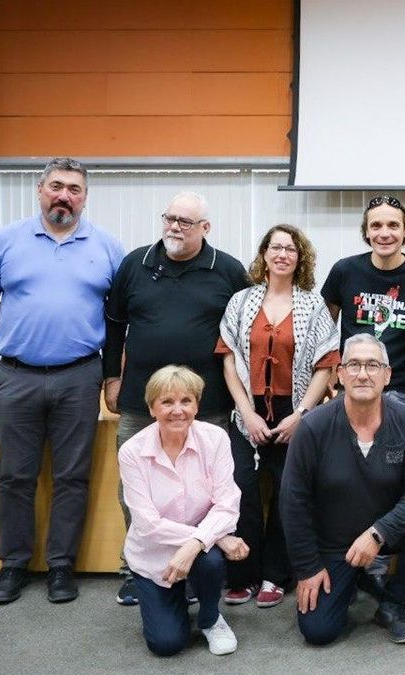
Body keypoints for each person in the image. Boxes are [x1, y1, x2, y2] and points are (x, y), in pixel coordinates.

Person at [0, 157, 126, 605]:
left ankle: (61, 567)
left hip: (79, 376)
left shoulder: (108, 247)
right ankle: (13, 566)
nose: (65, 195)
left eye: (74, 189)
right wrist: (23, 335)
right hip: (16, 377)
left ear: (85, 196)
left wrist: (111, 375)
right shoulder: (5, 240)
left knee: (72, 477)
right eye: (57, 186)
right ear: (40, 189)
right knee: (14, 477)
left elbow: (118, 318)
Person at [105, 191, 250, 605]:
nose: (174, 227)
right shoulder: (136, 263)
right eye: (170, 218)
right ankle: (136, 569)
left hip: (206, 405)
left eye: (185, 221)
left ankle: (199, 564)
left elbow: (244, 333)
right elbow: (114, 325)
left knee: (203, 489)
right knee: (134, 489)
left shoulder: (227, 270)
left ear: (205, 228)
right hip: (140, 400)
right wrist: (111, 377)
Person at [280, 334, 405, 646]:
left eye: (373, 365)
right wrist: (308, 568)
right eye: (354, 364)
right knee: (319, 632)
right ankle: (353, 582)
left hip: (385, 535)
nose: (362, 373)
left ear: (387, 376)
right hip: (332, 544)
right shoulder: (313, 427)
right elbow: (293, 501)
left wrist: (377, 533)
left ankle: (394, 603)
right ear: (339, 374)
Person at [216, 225, 341, 608]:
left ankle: (275, 574)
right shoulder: (241, 301)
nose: (283, 254)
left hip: (296, 411)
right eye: (276, 247)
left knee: (290, 494)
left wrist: (302, 414)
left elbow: (326, 365)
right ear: (264, 254)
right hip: (247, 411)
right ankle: (243, 574)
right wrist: (245, 411)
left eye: (290, 248)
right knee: (242, 492)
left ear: (300, 257)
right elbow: (229, 358)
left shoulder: (313, 304)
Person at [118, 365, 250, 656]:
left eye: (186, 401)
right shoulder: (131, 452)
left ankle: (210, 617)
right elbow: (148, 525)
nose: (178, 410)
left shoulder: (215, 439)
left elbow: (227, 503)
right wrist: (216, 537)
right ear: (152, 408)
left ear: (196, 405)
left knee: (212, 561)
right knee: (166, 644)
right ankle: (173, 597)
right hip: (153, 555)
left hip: (202, 554)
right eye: (167, 402)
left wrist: (196, 544)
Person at [320, 195, 405, 412]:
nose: (384, 233)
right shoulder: (344, 271)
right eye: (376, 226)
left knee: (397, 448)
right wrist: (329, 372)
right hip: (351, 384)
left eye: (393, 225)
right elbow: (324, 331)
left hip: (402, 389)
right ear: (366, 231)